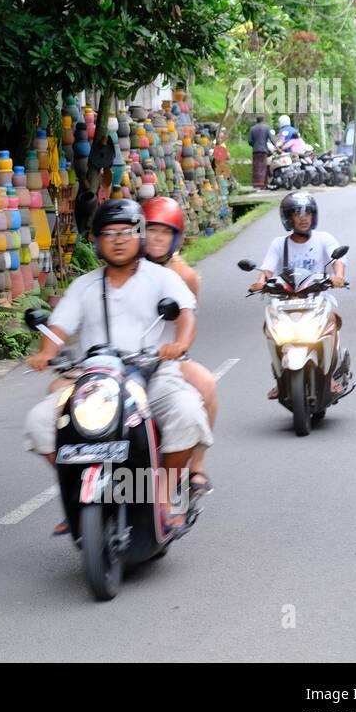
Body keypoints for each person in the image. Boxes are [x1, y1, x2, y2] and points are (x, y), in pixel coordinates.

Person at [24, 199, 213, 534]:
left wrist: (180, 344)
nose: (119, 239)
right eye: (109, 233)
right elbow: (58, 327)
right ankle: (76, 497)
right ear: (97, 240)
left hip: (154, 371)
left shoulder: (162, 278)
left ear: (139, 235)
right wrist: (46, 352)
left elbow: (186, 314)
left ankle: (164, 498)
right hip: (96, 378)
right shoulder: (84, 286)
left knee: (185, 409)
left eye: (127, 232)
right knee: (41, 420)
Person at [142, 197, 216, 496]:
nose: (157, 238)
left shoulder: (184, 275)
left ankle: (196, 467)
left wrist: (177, 348)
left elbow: (188, 318)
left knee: (207, 385)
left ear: (176, 238)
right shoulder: (125, 264)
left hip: (167, 355)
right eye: (151, 230)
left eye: (165, 232)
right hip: (125, 355)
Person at [248, 193, 350, 399]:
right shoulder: (279, 244)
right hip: (285, 301)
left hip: (317, 298)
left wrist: (338, 277)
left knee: (332, 321)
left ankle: (329, 375)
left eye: (308, 213)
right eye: (297, 213)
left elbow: (338, 259)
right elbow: (267, 268)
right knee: (270, 328)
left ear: (314, 216)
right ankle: (280, 377)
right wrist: (260, 282)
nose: (303, 218)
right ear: (288, 218)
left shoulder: (324, 238)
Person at [249, 115, 271, 188]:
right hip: (264, 150)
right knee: (263, 167)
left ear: (257, 120)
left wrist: (255, 145)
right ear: (263, 120)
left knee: (256, 167)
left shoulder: (252, 128)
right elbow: (271, 138)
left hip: (255, 151)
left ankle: (255, 183)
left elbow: (250, 141)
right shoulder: (266, 128)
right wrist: (278, 147)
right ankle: (263, 184)